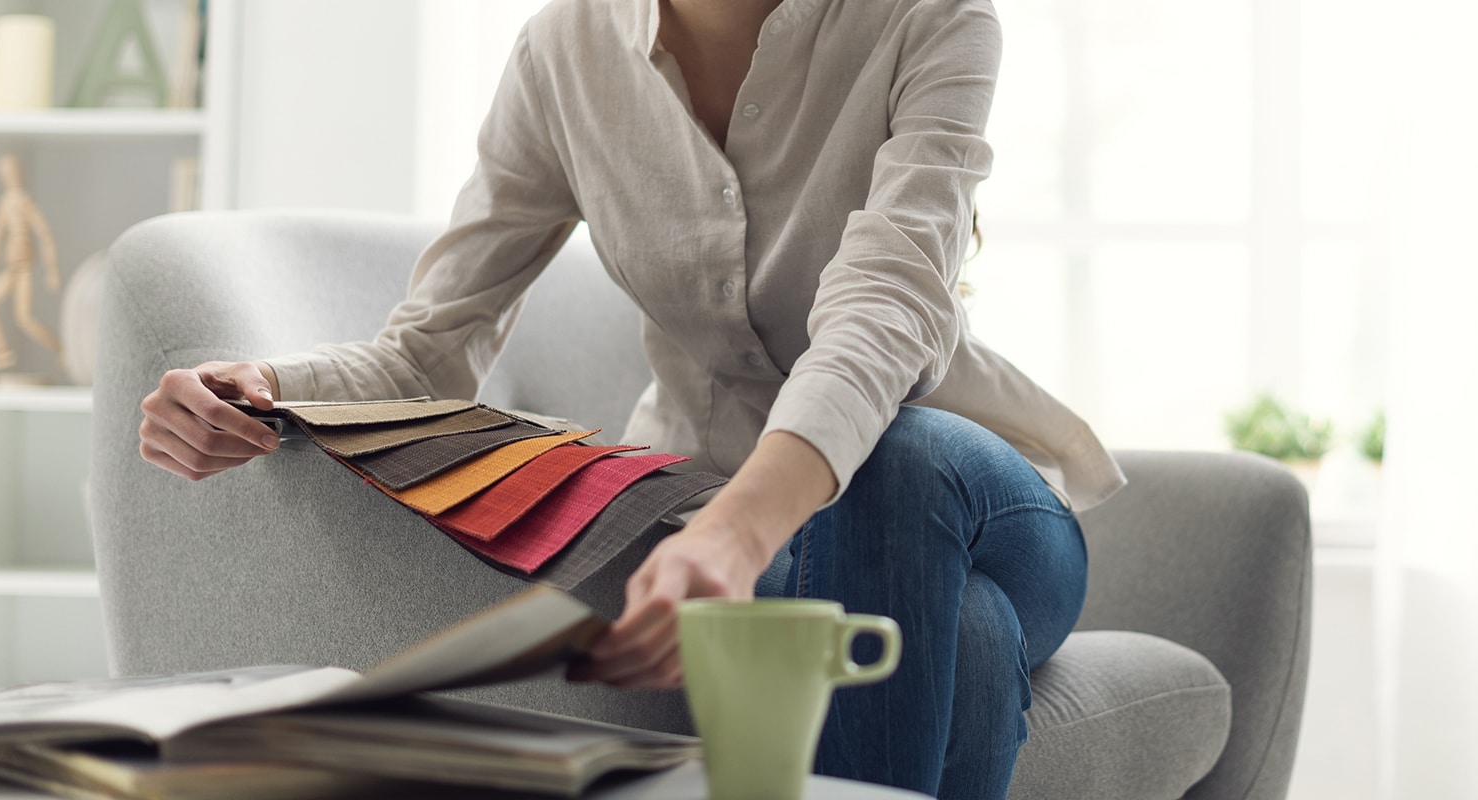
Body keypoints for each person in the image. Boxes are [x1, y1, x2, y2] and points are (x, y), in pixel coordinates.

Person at [135, 0, 1124, 796]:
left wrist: (733, 533)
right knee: (965, 635)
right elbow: (432, 348)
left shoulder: (932, 17)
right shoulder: (562, 50)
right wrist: (265, 390)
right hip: (749, 535)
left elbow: (881, 309)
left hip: (974, 500)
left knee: (896, 459)